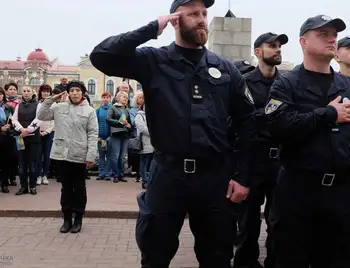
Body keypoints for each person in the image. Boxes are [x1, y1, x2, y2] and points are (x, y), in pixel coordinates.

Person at [90, 0, 256, 267]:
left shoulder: (226, 69)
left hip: (214, 178)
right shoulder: (154, 60)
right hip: (168, 174)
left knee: (218, 256)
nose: (202, 19)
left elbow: (248, 123)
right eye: (193, 14)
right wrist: (151, 28)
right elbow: (101, 55)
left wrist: (243, 176)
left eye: (204, 13)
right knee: (155, 252)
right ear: (176, 20)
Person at [265, 15, 350, 268]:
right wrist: (328, 114)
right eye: (323, 34)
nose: (331, 38)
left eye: (334, 34)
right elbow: (279, 127)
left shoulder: (346, 85)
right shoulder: (286, 83)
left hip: (340, 194)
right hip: (298, 192)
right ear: (303, 41)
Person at [234, 32, 288, 268]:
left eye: (279, 46)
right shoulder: (243, 82)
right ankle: (246, 263)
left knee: (279, 221)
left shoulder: (287, 83)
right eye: (271, 45)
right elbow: (237, 121)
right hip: (252, 160)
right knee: (248, 223)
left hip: (281, 161)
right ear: (257, 52)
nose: (277, 49)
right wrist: (267, 113)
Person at [37, 80, 98, 233]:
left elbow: (92, 134)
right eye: (72, 91)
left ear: (82, 92)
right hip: (62, 155)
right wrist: (51, 99)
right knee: (65, 188)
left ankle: (78, 219)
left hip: (80, 155)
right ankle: (66, 218)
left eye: (78, 90)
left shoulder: (89, 111)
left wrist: (91, 155)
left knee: (78, 188)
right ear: (68, 93)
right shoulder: (59, 107)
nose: (75, 93)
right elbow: (42, 115)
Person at [12, 86, 41, 195]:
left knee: (32, 163)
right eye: (24, 91)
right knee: (21, 164)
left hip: (33, 138)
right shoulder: (18, 105)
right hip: (20, 138)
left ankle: (33, 186)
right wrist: (21, 129)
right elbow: (14, 119)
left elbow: (39, 119)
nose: (26, 93)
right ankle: (23, 187)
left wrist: (28, 130)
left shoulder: (38, 105)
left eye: (28, 91)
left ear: (33, 92)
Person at [0, 87, 15, 193]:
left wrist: (10, 126)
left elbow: (14, 120)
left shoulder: (8, 107)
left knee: (5, 161)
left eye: (0, 94)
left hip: (7, 137)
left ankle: (4, 184)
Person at [96, 92, 112, 181]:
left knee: (109, 156)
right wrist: (97, 136)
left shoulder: (112, 109)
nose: (105, 99)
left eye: (107, 97)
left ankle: (108, 174)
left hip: (110, 137)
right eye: (104, 97)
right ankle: (101, 173)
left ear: (110, 99)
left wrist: (111, 136)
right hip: (100, 138)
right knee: (101, 156)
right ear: (102, 99)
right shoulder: (98, 110)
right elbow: (95, 124)